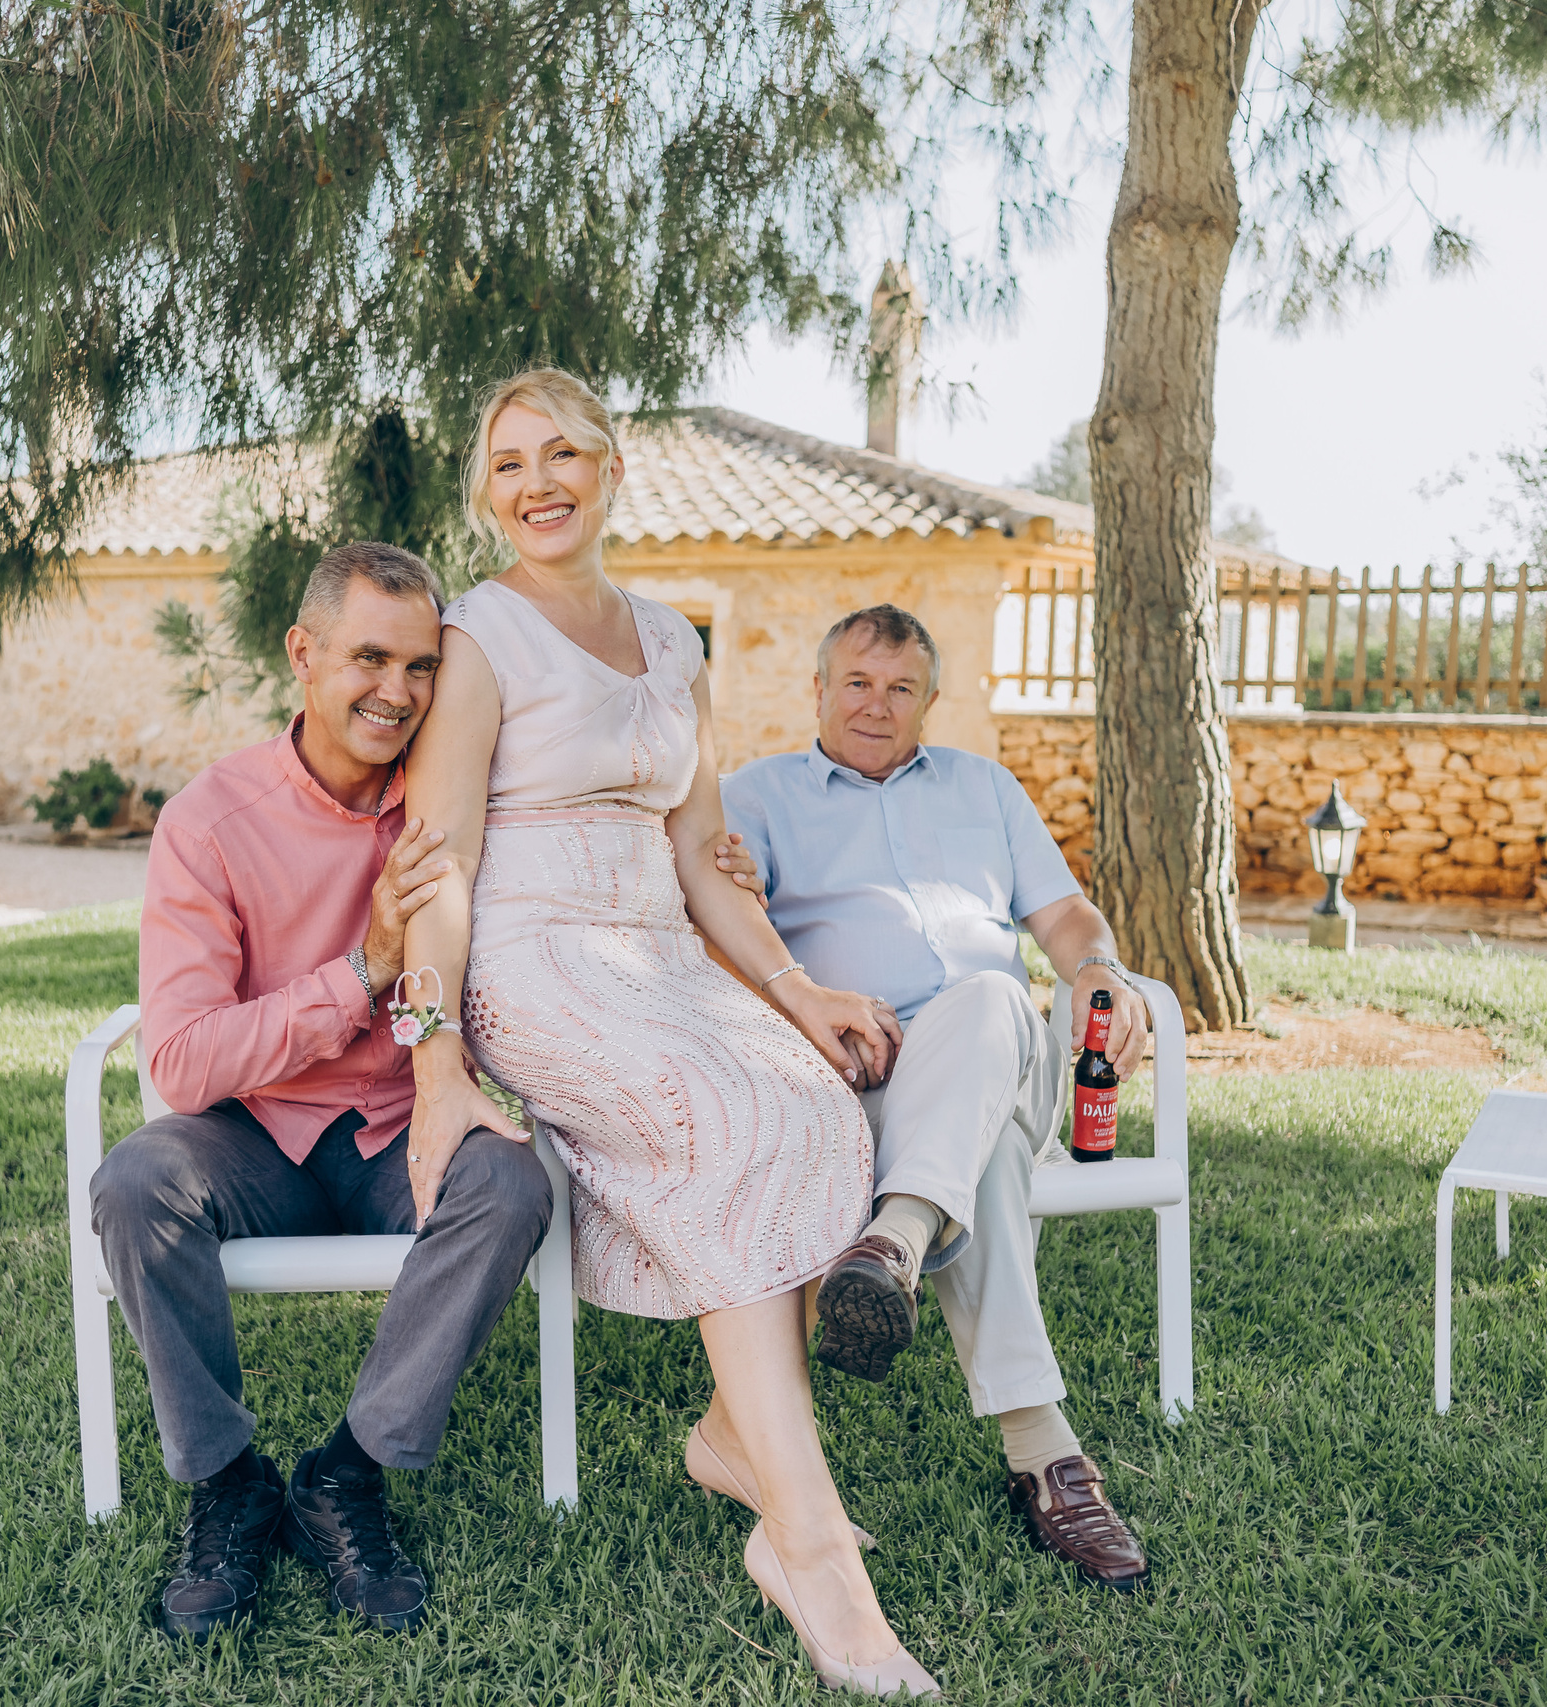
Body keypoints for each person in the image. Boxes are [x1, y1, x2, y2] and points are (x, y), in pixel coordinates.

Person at [400, 368, 938, 1698]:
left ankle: (728, 1433)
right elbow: (439, 859)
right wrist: (434, 1059)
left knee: (816, 1098)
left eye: (563, 453)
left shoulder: (672, 640)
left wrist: (798, 990)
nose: (538, 482)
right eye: (511, 461)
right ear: (489, 490)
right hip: (535, 954)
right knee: (731, 1116)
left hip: (664, 950)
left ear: (610, 467)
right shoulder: (481, 634)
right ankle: (810, 1549)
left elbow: (704, 854)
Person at [87, 541, 548, 1641]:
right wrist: (360, 975)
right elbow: (184, 1063)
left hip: (406, 1129)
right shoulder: (210, 822)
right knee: (134, 1183)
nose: (397, 692)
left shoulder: (453, 801)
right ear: (303, 654)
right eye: (368, 659)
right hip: (255, 1142)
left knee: (513, 1185)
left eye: (421, 666)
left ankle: (344, 1475)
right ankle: (228, 1482)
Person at [717, 602, 1155, 1591]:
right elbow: (729, 944)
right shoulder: (753, 797)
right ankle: (1046, 1458)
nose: (876, 705)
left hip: (992, 1052)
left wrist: (1097, 972)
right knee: (987, 1156)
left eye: (900, 688)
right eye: (857, 683)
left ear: (929, 700)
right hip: (856, 1087)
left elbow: (1067, 917)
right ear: (818, 690)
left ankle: (892, 1245)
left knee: (997, 994)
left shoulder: (984, 788)